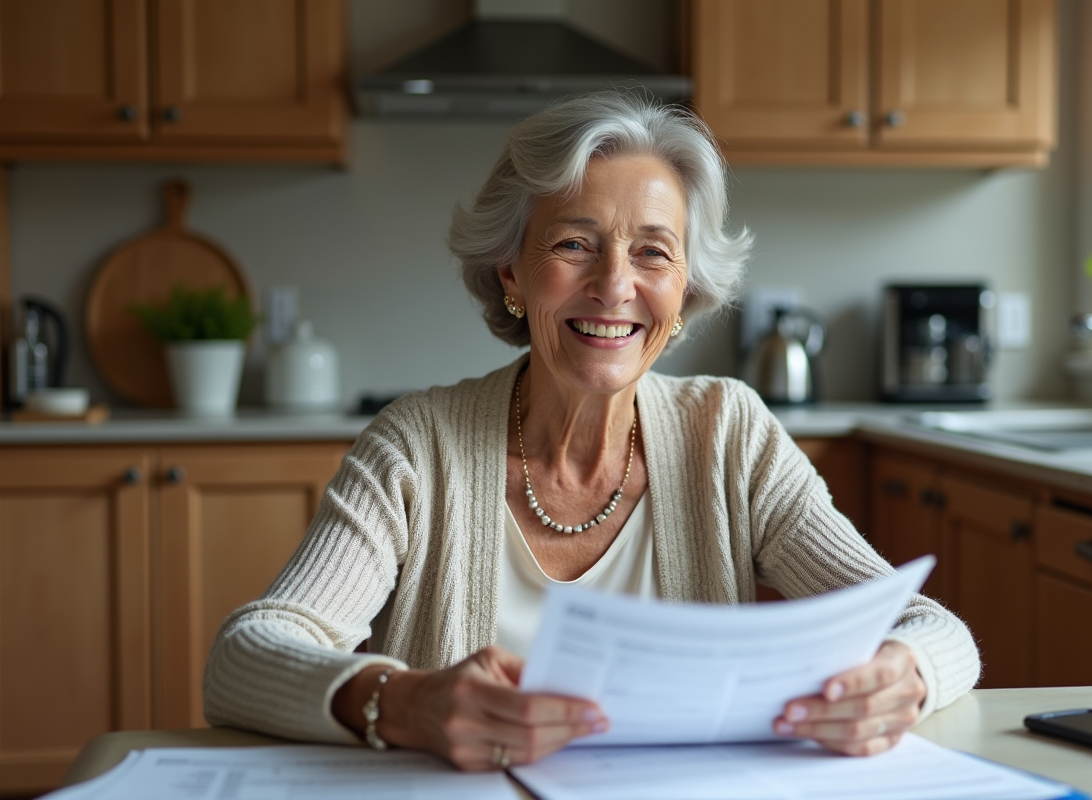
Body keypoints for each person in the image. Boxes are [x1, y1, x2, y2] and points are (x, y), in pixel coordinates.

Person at [204, 91, 980, 772]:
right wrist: (402, 702)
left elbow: (928, 626)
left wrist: (900, 675)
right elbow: (243, 658)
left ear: (684, 291)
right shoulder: (416, 445)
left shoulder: (730, 434)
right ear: (511, 270)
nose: (615, 286)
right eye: (574, 243)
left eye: (653, 252)